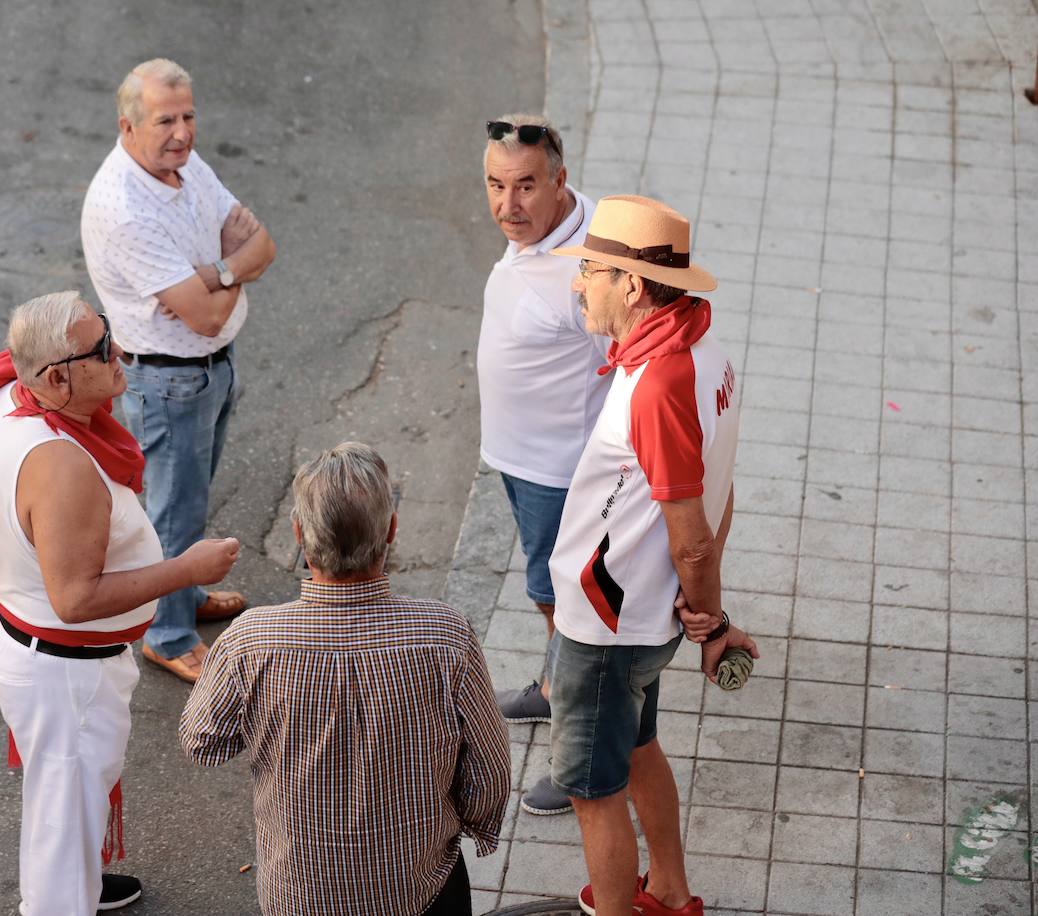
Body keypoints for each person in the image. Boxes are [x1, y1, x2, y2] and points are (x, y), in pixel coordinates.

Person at [0, 291, 240, 914]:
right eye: (103, 349)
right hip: (65, 670)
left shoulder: (6, 395)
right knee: (61, 825)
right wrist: (183, 569)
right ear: (56, 377)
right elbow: (74, 599)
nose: (120, 352)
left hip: (33, 639)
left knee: (68, 802)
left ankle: (81, 888)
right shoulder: (62, 468)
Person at [178, 443, 511, 916]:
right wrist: (470, 821)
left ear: (298, 534)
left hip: (299, 889)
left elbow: (202, 742)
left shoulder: (251, 640)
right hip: (420, 883)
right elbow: (489, 770)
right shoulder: (445, 635)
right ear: (392, 530)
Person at [545, 196, 759, 916]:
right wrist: (701, 612)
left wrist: (711, 615)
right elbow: (722, 489)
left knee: (591, 793)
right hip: (638, 614)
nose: (578, 284)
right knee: (640, 750)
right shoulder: (706, 352)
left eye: (591, 272)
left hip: (607, 628)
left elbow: (692, 530)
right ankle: (668, 893)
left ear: (633, 286)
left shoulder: (659, 382)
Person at [81, 57, 276, 683]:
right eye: (166, 119)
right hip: (168, 380)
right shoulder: (125, 209)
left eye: (188, 115)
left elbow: (263, 244)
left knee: (190, 499)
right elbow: (205, 318)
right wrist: (230, 269)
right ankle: (167, 634)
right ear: (128, 125)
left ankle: (184, 596)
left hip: (206, 371)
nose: (183, 133)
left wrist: (219, 272)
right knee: (172, 512)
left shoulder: (181, 166)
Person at [476, 114, 609, 816]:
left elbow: (627, 362)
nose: (508, 205)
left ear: (559, 181)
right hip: (522, 461)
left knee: (571, 606)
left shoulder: (588, 269)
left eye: (526, 186)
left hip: (561, 472)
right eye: (496, 185)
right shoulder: (547, 226)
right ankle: (555, 688)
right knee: (546, 594)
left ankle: (577, 751)